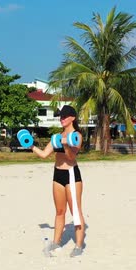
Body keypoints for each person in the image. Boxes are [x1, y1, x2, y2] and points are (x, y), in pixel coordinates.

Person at [30, 105, 86, 257]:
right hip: (57, 175)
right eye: (60, 117)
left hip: (72, 175)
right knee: (60, 211)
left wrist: (66, 144)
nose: (62, 119)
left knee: (75, 211)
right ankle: (56, 242)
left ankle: (79, 245)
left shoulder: (77, 135)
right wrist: (31, 145)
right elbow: (44, 154)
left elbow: (71, 157)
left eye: (64, 116)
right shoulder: (56, 136)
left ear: (72, 118)